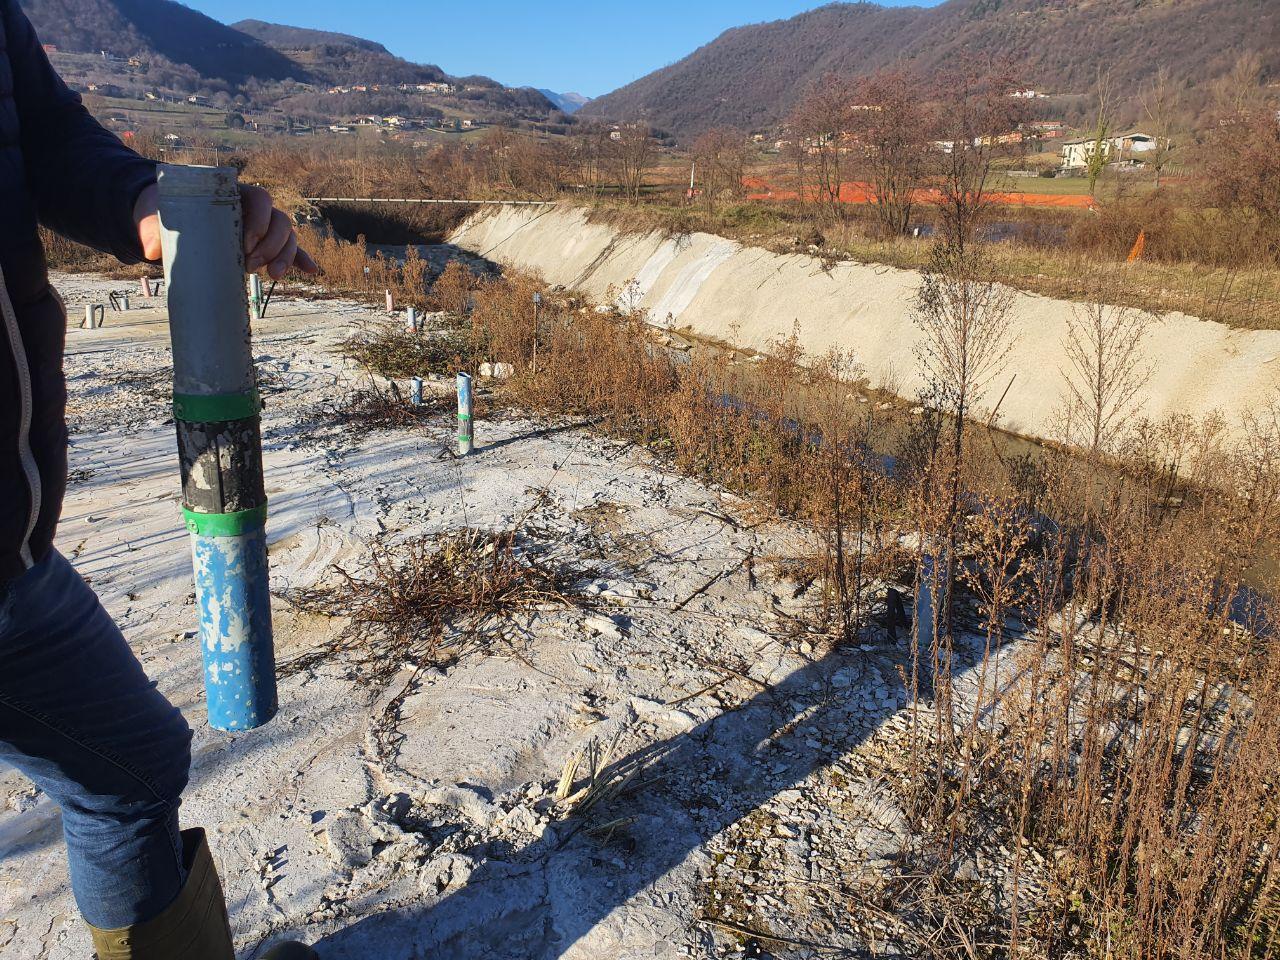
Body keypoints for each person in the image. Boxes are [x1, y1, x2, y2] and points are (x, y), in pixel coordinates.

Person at [0, 2, 320, 957]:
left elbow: (44, 133)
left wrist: (148, 200)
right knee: (130, 766)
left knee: (133, 763)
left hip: (13, 540)